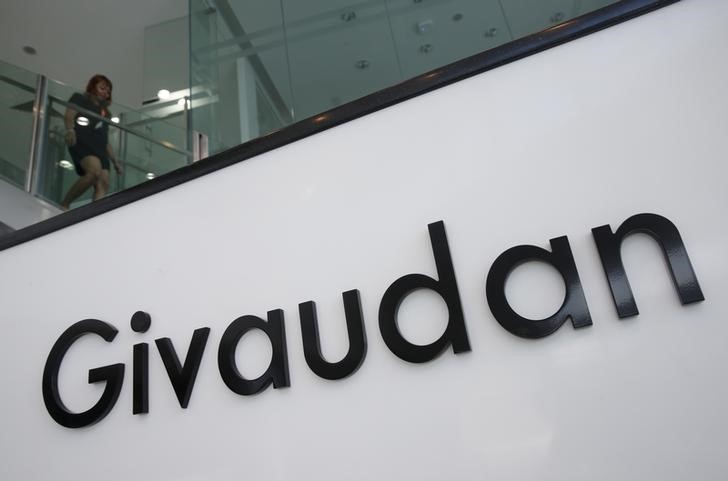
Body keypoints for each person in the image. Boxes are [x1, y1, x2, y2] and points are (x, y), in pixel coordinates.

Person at [61, 74, 123, 210]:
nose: (106, 93)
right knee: (93, 171)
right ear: (93, 87)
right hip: (83, 141)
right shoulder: (79, 98)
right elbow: (69, 114)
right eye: (102, 88)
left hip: (100, 148)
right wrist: (70, 130)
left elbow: (105, 138)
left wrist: (115, 161)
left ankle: (93, 215)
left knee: (104, 182)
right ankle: (65, 204)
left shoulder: (106, 113)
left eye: (108, 91)